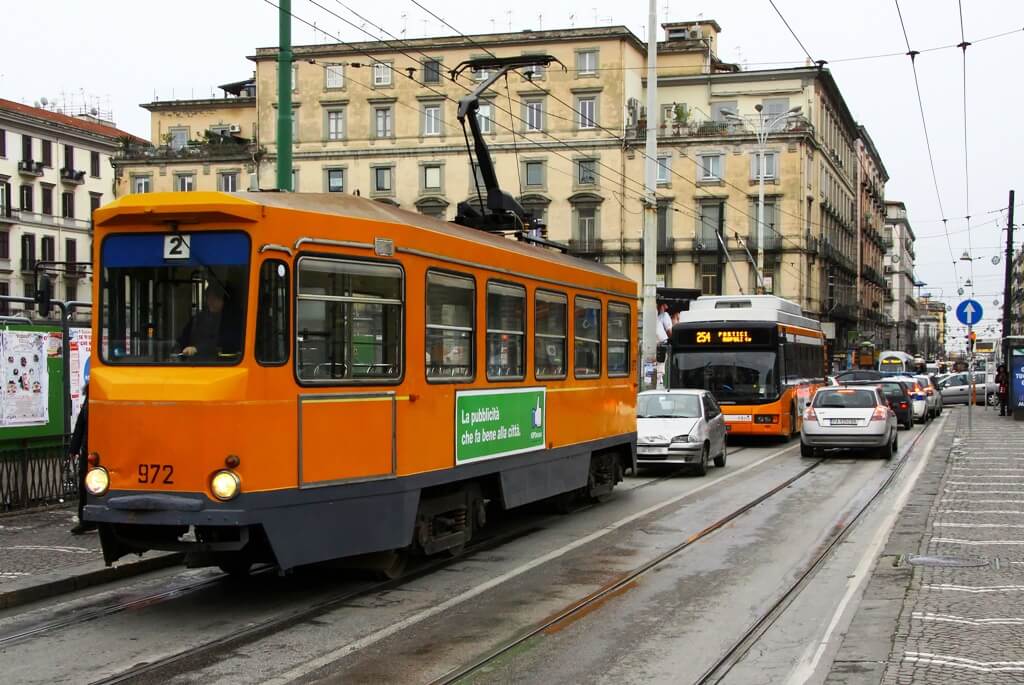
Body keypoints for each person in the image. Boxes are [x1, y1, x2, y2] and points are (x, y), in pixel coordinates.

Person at [178, 281, 242, 359]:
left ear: (224, 300)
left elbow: (227, 341)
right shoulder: (199, 317)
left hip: (223, 362)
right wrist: (178, 348)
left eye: (214, 298)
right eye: (208, 297)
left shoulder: (234, 318)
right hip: (196, 362)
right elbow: (184, 337)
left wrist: (197, 349)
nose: (210, 301)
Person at [69, 383, 95, 535]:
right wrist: (74, 448)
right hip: (89, 450)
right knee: (85, 484)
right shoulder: (89, 399)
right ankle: (85, 520)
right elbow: (81, 423)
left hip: (105, 448)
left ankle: (91, 520)